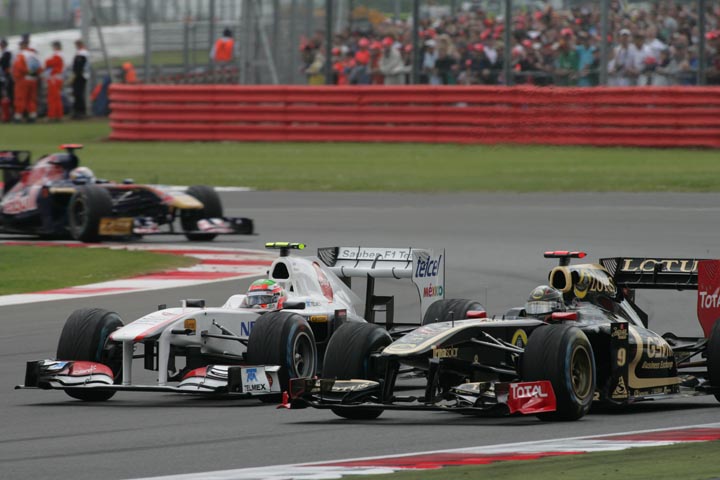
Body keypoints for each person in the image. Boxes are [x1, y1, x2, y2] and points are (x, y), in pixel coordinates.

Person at [11, 38, 41, 123]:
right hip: (33, 79)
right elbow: (39, 68)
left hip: (23, 79)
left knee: (20, 98)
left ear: (23, 45)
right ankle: (32, 115)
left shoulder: (21, 55)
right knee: (31, 98)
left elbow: (19, 67)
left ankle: (18, 116)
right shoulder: (34, 54)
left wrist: (16, 76)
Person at [44, 41, 64, 121]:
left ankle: (52, 115)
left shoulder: (57, 55)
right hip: (58, 77)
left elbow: (49, 63)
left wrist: (47, 61)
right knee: (57, 98)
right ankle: (58, 115)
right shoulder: (60, 54)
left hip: (54, 78)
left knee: (52, 98)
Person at [72, 39, 90, 119]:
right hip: (80, 75)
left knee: (78, 93)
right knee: (77, 93)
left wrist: (75, 75)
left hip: (81, 75)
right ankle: (78, 111)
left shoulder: (83, 53)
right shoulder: (81, 52)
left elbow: (79, 66)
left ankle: (80, 111)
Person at [0, 38, 13, 122]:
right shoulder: (4, 53)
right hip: (3, 78)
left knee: (6, 97)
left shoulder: (7, 53)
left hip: (5, 78)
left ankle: (6, 116)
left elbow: (5, 66)